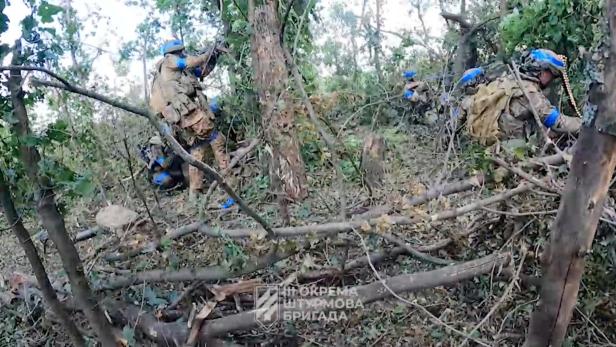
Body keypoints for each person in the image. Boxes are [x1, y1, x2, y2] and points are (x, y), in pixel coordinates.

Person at [149, 39, 231, 200]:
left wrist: (213, 56)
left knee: (197, 149)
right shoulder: (170, 61)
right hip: (189, 115)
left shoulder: (175, 73)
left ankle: (195, 193)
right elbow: (190, 62)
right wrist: (209, 51)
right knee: (217, 140)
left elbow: (201, 72)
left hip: (184, 119)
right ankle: (230, 185)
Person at [466, 49, 581, 145]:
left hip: (491, 142)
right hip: (507, 147)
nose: (552, 79)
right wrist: (585, 124)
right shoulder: (528, 90)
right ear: (541, 71)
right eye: (552, 74)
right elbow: (556, 122)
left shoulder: (510, 80)